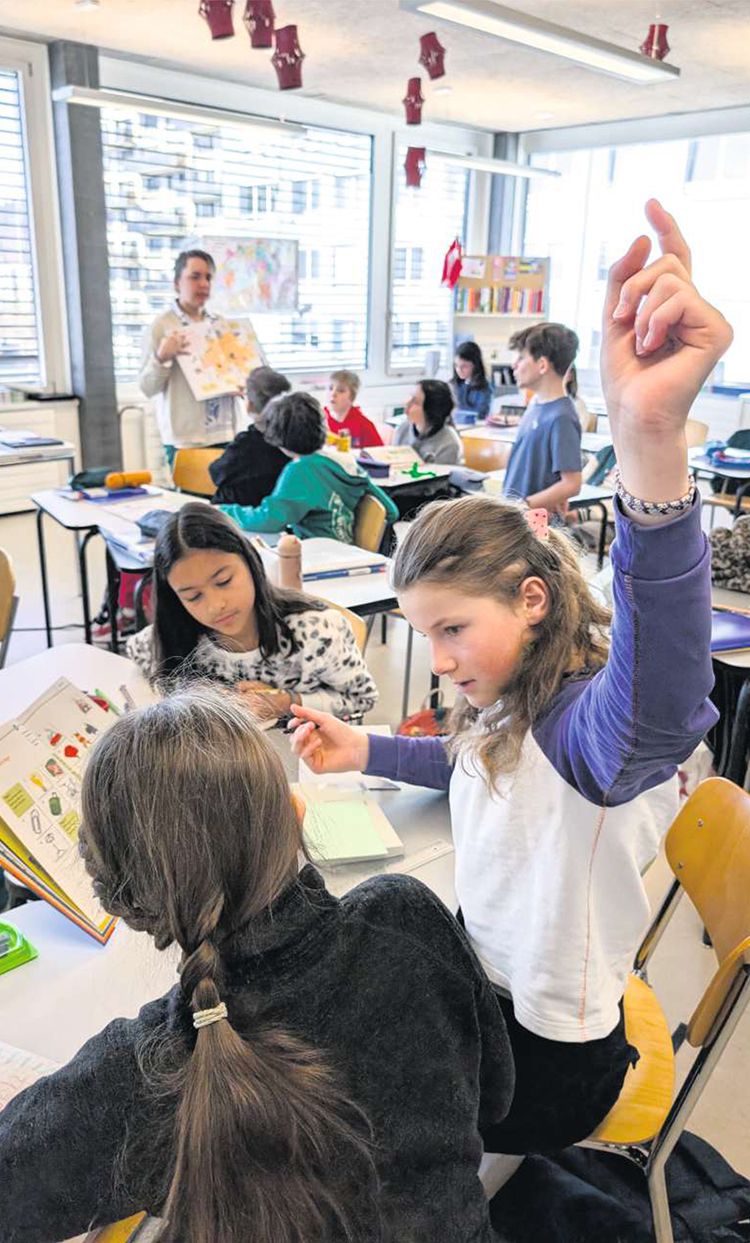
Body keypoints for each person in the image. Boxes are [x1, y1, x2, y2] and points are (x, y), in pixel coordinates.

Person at [290, 200, 732, 1154]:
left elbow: (657, 706)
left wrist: (651, 439)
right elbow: (469, 762)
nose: (439, 659)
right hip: (491, 986)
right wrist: (364, 747)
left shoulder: (586, 730)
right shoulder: (511, 698)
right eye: (425, 633)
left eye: (452, 629)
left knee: (333, 1098)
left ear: (533, 600)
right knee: (358, 953)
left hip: (549, 1060)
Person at [0, 689, 514, 1243]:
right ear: (296, 812)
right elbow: (497, 1097)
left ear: (124, 897)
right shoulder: (406, 920)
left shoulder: (134, 1077)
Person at [126, 504, 377, 721]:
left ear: (250, 562)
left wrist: (284, 702)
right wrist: (201, 698)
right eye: (193, 596)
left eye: (223, 581)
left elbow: (361, 698)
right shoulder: (173, 636)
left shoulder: (313, 631)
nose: (215, 605)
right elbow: (138, 659)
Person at [219, 392, 398, 542]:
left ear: (278, 439)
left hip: (318, 556)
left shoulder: (300, 470)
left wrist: (224, 512)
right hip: (346, 551)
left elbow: (270, 519)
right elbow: (390, 511)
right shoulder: (347, 463)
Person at [138, 249, 245, 470]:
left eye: (208, 278)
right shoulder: (162, 326)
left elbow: (237, 372)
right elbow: (147, 387)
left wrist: (240, 382)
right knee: (193, 503)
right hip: (186, 439)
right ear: (177, 282)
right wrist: (162, 357)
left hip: (226, 432)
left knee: (226, 502)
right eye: (195, 277)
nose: (203, 284)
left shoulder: (221, 324)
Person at [502, 322, 582, 516]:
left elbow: (572, 484)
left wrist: (522, 506)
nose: (514, 364)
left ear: (542, 365)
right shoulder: (535, 405)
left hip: (532, 522)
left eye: (521, 358)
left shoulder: (561, 416)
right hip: (517, 515)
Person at [209, 366, 291, 506]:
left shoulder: (245, 444)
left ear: (249, 404)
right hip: (272, 514)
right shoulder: (292, 441)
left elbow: (217, 473)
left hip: (236, 515)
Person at [394, 380, 464, 465]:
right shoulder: (402, 428)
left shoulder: (449, 444)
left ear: (431, 411)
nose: (407, 403)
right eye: (411, 398)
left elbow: (440, 477)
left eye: (415, 402)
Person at [324, 370, 383, 448]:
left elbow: (379, 453)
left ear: (352, 397)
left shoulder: (364, 425)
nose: (333, 394)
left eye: (341, 391)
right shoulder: (318, 420)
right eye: (330, 388)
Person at [452, 342, 492, 420]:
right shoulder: (454, 385)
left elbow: (480, 414)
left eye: (464, 366)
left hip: (475, 428)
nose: (459, 370)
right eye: (456, 365)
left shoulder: (484, 389)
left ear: (475, 365)